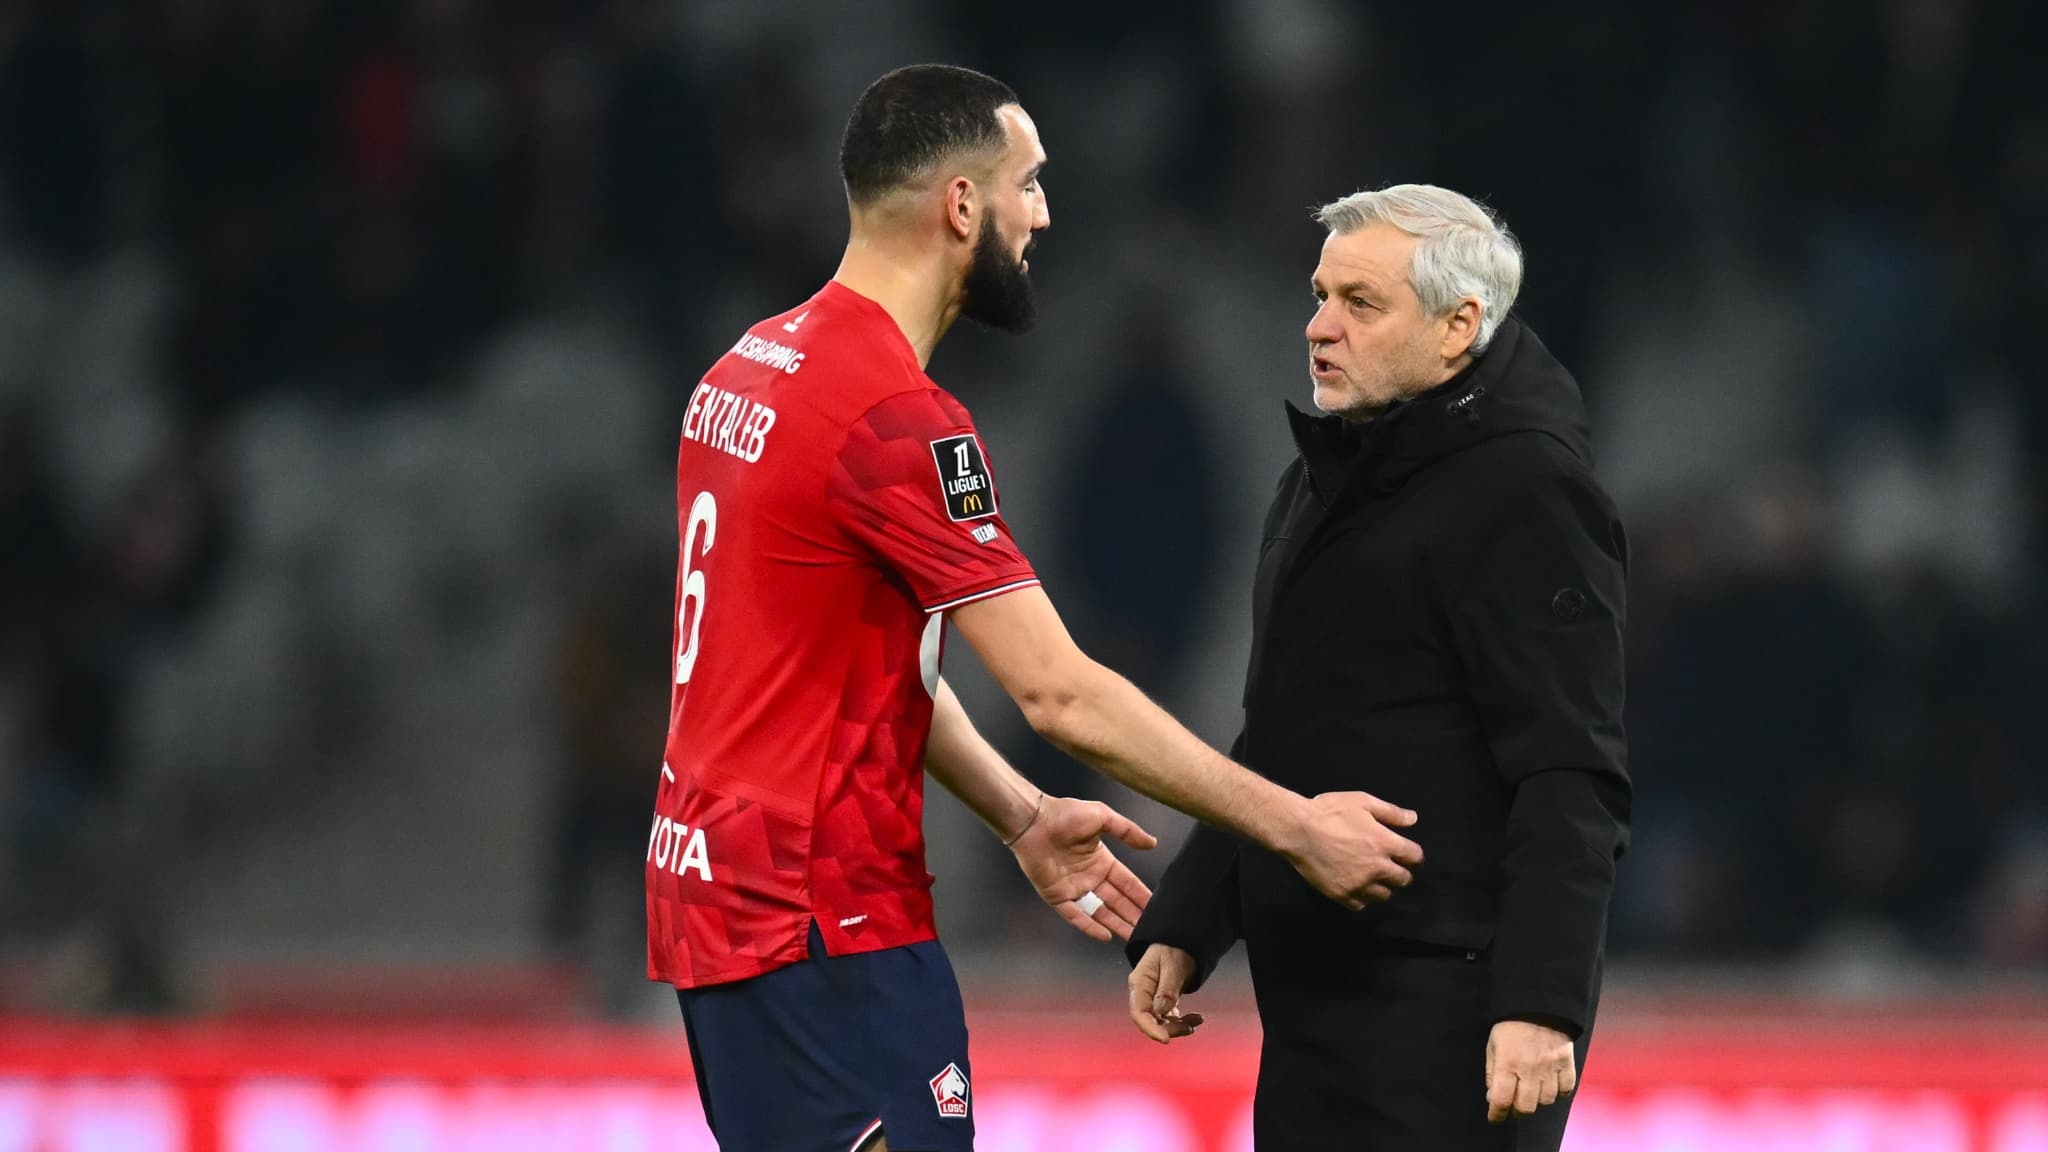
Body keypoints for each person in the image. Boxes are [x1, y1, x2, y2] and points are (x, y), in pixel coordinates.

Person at [644, 65, 1423, 1152]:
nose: (1045, 213)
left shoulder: (745, 370)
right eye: (1030, 182)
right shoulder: (892, 417)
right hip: (823, 924)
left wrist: (1018, 812)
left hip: (724, 904)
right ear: (962, 205)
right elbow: (1058, 695)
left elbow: (854, 671)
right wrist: (1294, 827)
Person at [1125, 185, 1632, 1150]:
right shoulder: (1331, 470)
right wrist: (1191, 916)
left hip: (1452, 1016)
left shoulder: (1528, 490)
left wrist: (1541, 1003)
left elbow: (1571, 768)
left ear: (1458, 327)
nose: (1319, 327)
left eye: (1360, 303)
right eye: (1321, 296)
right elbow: (1291, 726)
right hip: (1319, 1003)